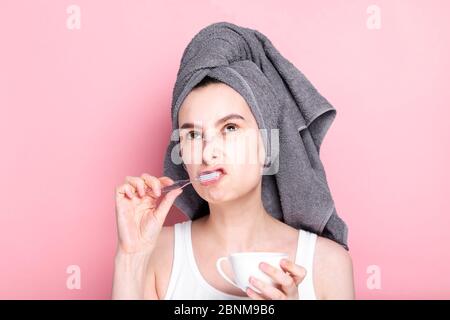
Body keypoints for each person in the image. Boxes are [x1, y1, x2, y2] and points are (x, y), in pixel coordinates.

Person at [112, 76, 355, 300]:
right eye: (193, 135)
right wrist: (131, 258)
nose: (207, 153)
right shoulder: (155, 251)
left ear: (268, 146)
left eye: (230, 128)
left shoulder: (328, 264)